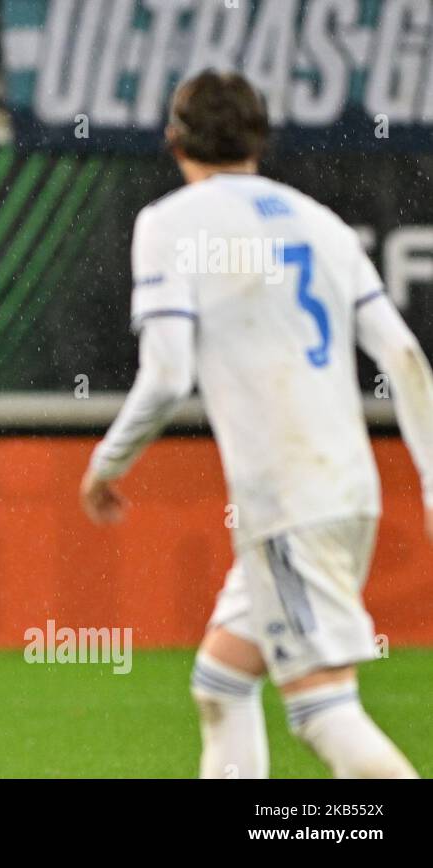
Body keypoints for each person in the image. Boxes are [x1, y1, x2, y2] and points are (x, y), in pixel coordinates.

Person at [82, 70, 431, 778]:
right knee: (220, 682)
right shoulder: (319, 221)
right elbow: (405, 356)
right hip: (345, 492)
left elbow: (168, 375)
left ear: (174, 138)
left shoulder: (169, 224)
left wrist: (106, 466)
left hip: (286, 505)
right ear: (261, 139)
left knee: (324, 713)